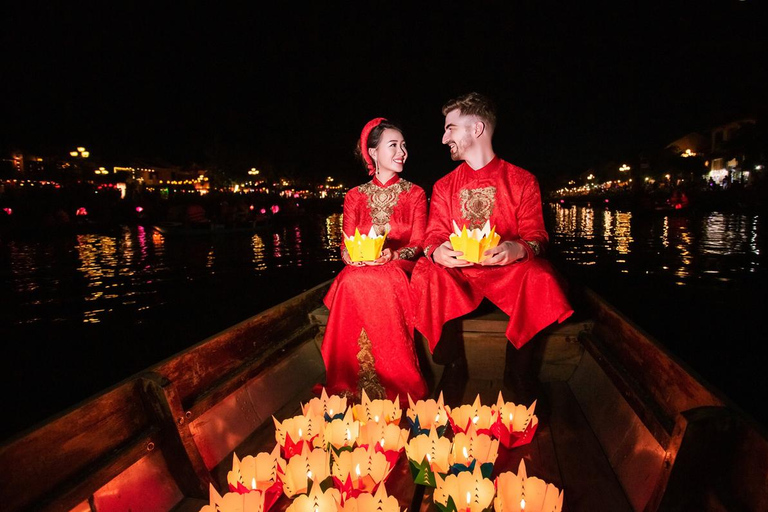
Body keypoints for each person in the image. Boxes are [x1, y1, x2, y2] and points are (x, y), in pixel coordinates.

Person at [410, 92, 573, 377]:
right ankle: (451, 362)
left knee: (541, 276)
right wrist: (436, 251)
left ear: (477, 129)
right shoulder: (444, 185)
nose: (444, 139)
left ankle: (519, 371)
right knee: (427, 270)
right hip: (460, 277)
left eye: (450, 128)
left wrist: (517, 249)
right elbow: (433, 235)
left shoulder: (522, 180)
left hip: (506, 274)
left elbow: (537, 235)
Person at [320, 118, 429, 402]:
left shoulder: (415, 193)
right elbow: (347, 244)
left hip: (400, 266)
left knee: (384, 280)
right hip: (363, 266)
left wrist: (394, 254)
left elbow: (417, 244)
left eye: (404, 145)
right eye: (393, 145)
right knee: (350, 280)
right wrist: (348, 256)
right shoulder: (355, 196)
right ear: (373, 152)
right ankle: (348, 379)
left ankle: (398, 382)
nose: (402, 151)